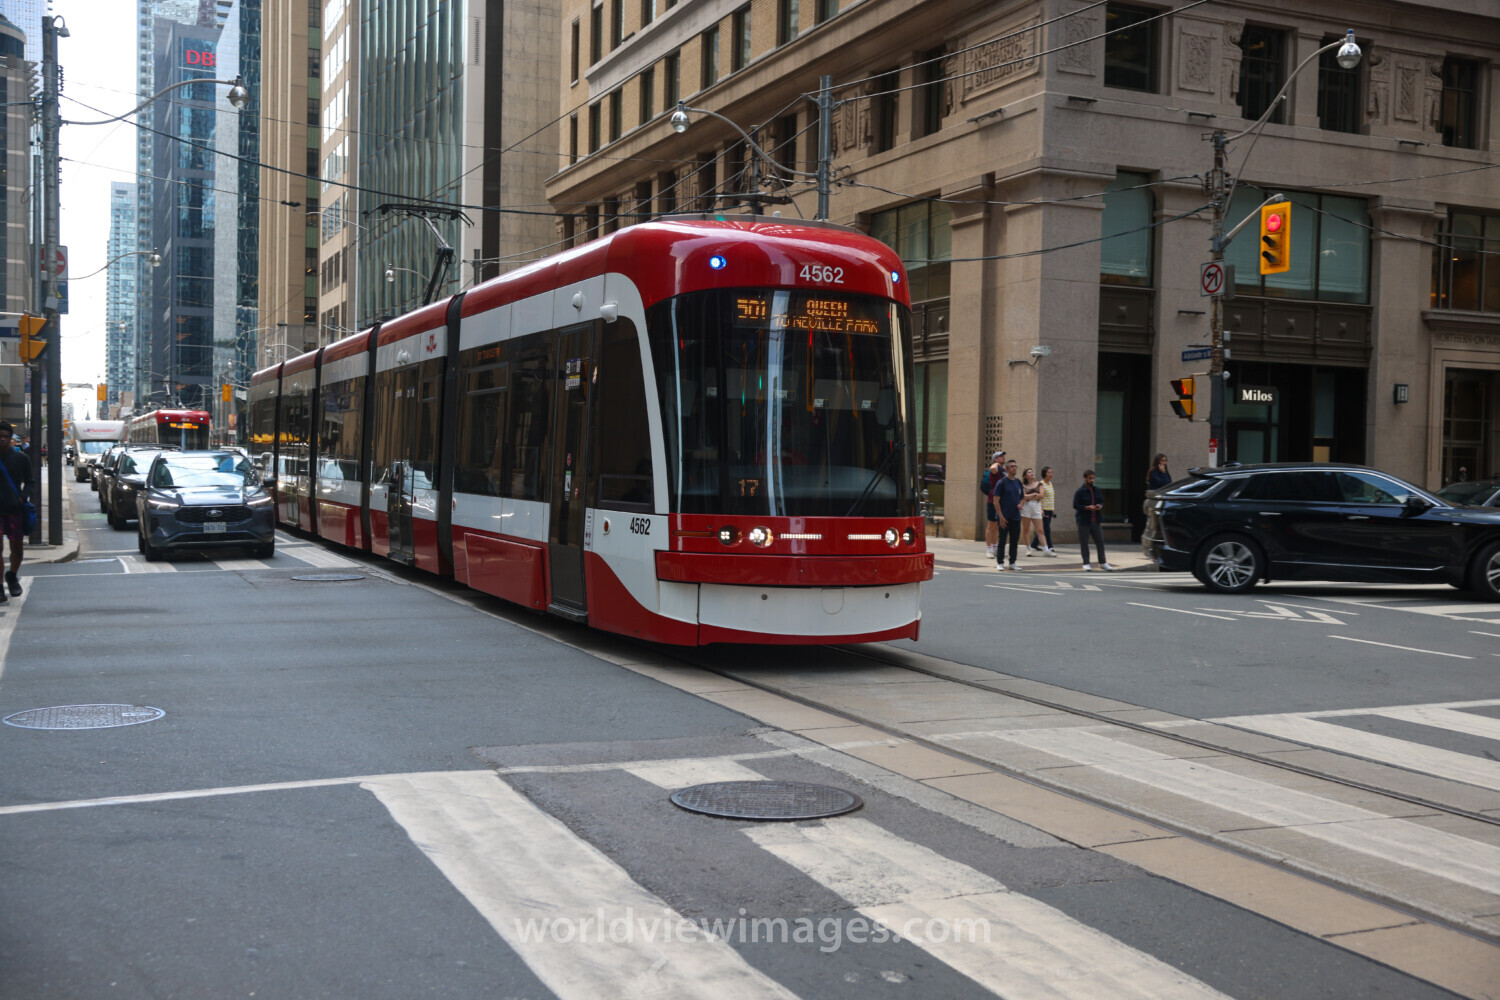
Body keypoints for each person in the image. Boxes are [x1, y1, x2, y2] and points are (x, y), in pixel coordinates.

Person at [0, 421, 30, 600]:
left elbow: (31, 481)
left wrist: (23, 497)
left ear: (11, 438)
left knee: (17, 549)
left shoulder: (21, 459)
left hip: (14, 510)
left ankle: (12, 575)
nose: (2, 440)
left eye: (6, 436)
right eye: (0, 436)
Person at [1073, 469, 1113, 571]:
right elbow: (1075, 505)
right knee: (1084, 543)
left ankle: (1102, 562)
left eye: (1093, 478)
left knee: (1100, 542)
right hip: (1083, 521)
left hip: (1096, 520)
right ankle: (1086, 563)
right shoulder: (1080, 491)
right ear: (1085, 478)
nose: (1092, 480)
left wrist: (1100, 506)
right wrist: (1087, 507)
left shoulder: (1097, 490)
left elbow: (1102, 501)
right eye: (1090, 478)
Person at [992, 458, 1024, 570]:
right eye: (1012, 467)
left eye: (1016, 466)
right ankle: (1000, 562)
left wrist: (1020, 504)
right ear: (1007, 469)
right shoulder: (1002, 482)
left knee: (1014, 541)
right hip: (1004, 517)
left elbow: (1022, 498)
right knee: (1002, 540)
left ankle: (1012, 562)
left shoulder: (1018, 482)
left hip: (1015, 516)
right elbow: (996, 501)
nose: (1014, 468)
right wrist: (1000, 516)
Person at [979, 450, 1005, 558]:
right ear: (996, 459)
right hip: (992, 501)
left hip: (1002, 502)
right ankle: (989, 549)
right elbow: (992, 468)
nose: (1003, 457)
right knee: (991, 525)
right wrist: (996, 463)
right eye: (1000, 456)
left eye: (1003, 456)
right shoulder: (995, 469)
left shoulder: (1003, 470)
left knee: (997, 526)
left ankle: (995, 548)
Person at [1019, 468, 1047, 556]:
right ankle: (1028, 549)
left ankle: (1046, 549)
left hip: (1037, 507)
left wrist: (1029, 496)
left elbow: (1041, 495)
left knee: (1040, 529)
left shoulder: (1039, 484)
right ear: (1025, 476)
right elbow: (1023, 497)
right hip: (1026, 507)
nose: (1032, 473)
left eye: (1032, 472)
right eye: (1029, 472)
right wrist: (1033, 494)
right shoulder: (1023, 486)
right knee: (1026, 529)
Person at [1038, 466, 1057, 555]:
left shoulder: (1050, 484)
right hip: (1044, 509)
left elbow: (1051, 497)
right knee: (1047, 529)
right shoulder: (1041, 484)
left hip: (1049, 509)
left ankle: (1034, 543)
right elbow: (1040, 498)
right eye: (1049, 472)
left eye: (1051, 472)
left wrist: (1052, 509)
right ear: (1045, 474)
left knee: (1044, 528)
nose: (1051, 474)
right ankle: (1050, 546)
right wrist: (1041, 509)